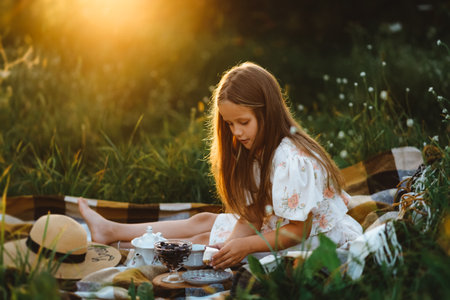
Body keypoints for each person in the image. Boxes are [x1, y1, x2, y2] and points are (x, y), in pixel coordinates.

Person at [79, 62, 362, 270]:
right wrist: (232, 241)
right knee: (204, 222)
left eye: (243, 122)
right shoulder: (256, 149)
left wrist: (243, 245)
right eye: (229, 124)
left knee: (205, 239)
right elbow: (253, 212)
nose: (236, 132)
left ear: (268, 112)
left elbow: (297, 231)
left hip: (314, 242)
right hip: (275, 226)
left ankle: (134, 250)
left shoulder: (290, 159)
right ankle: (114, 232)